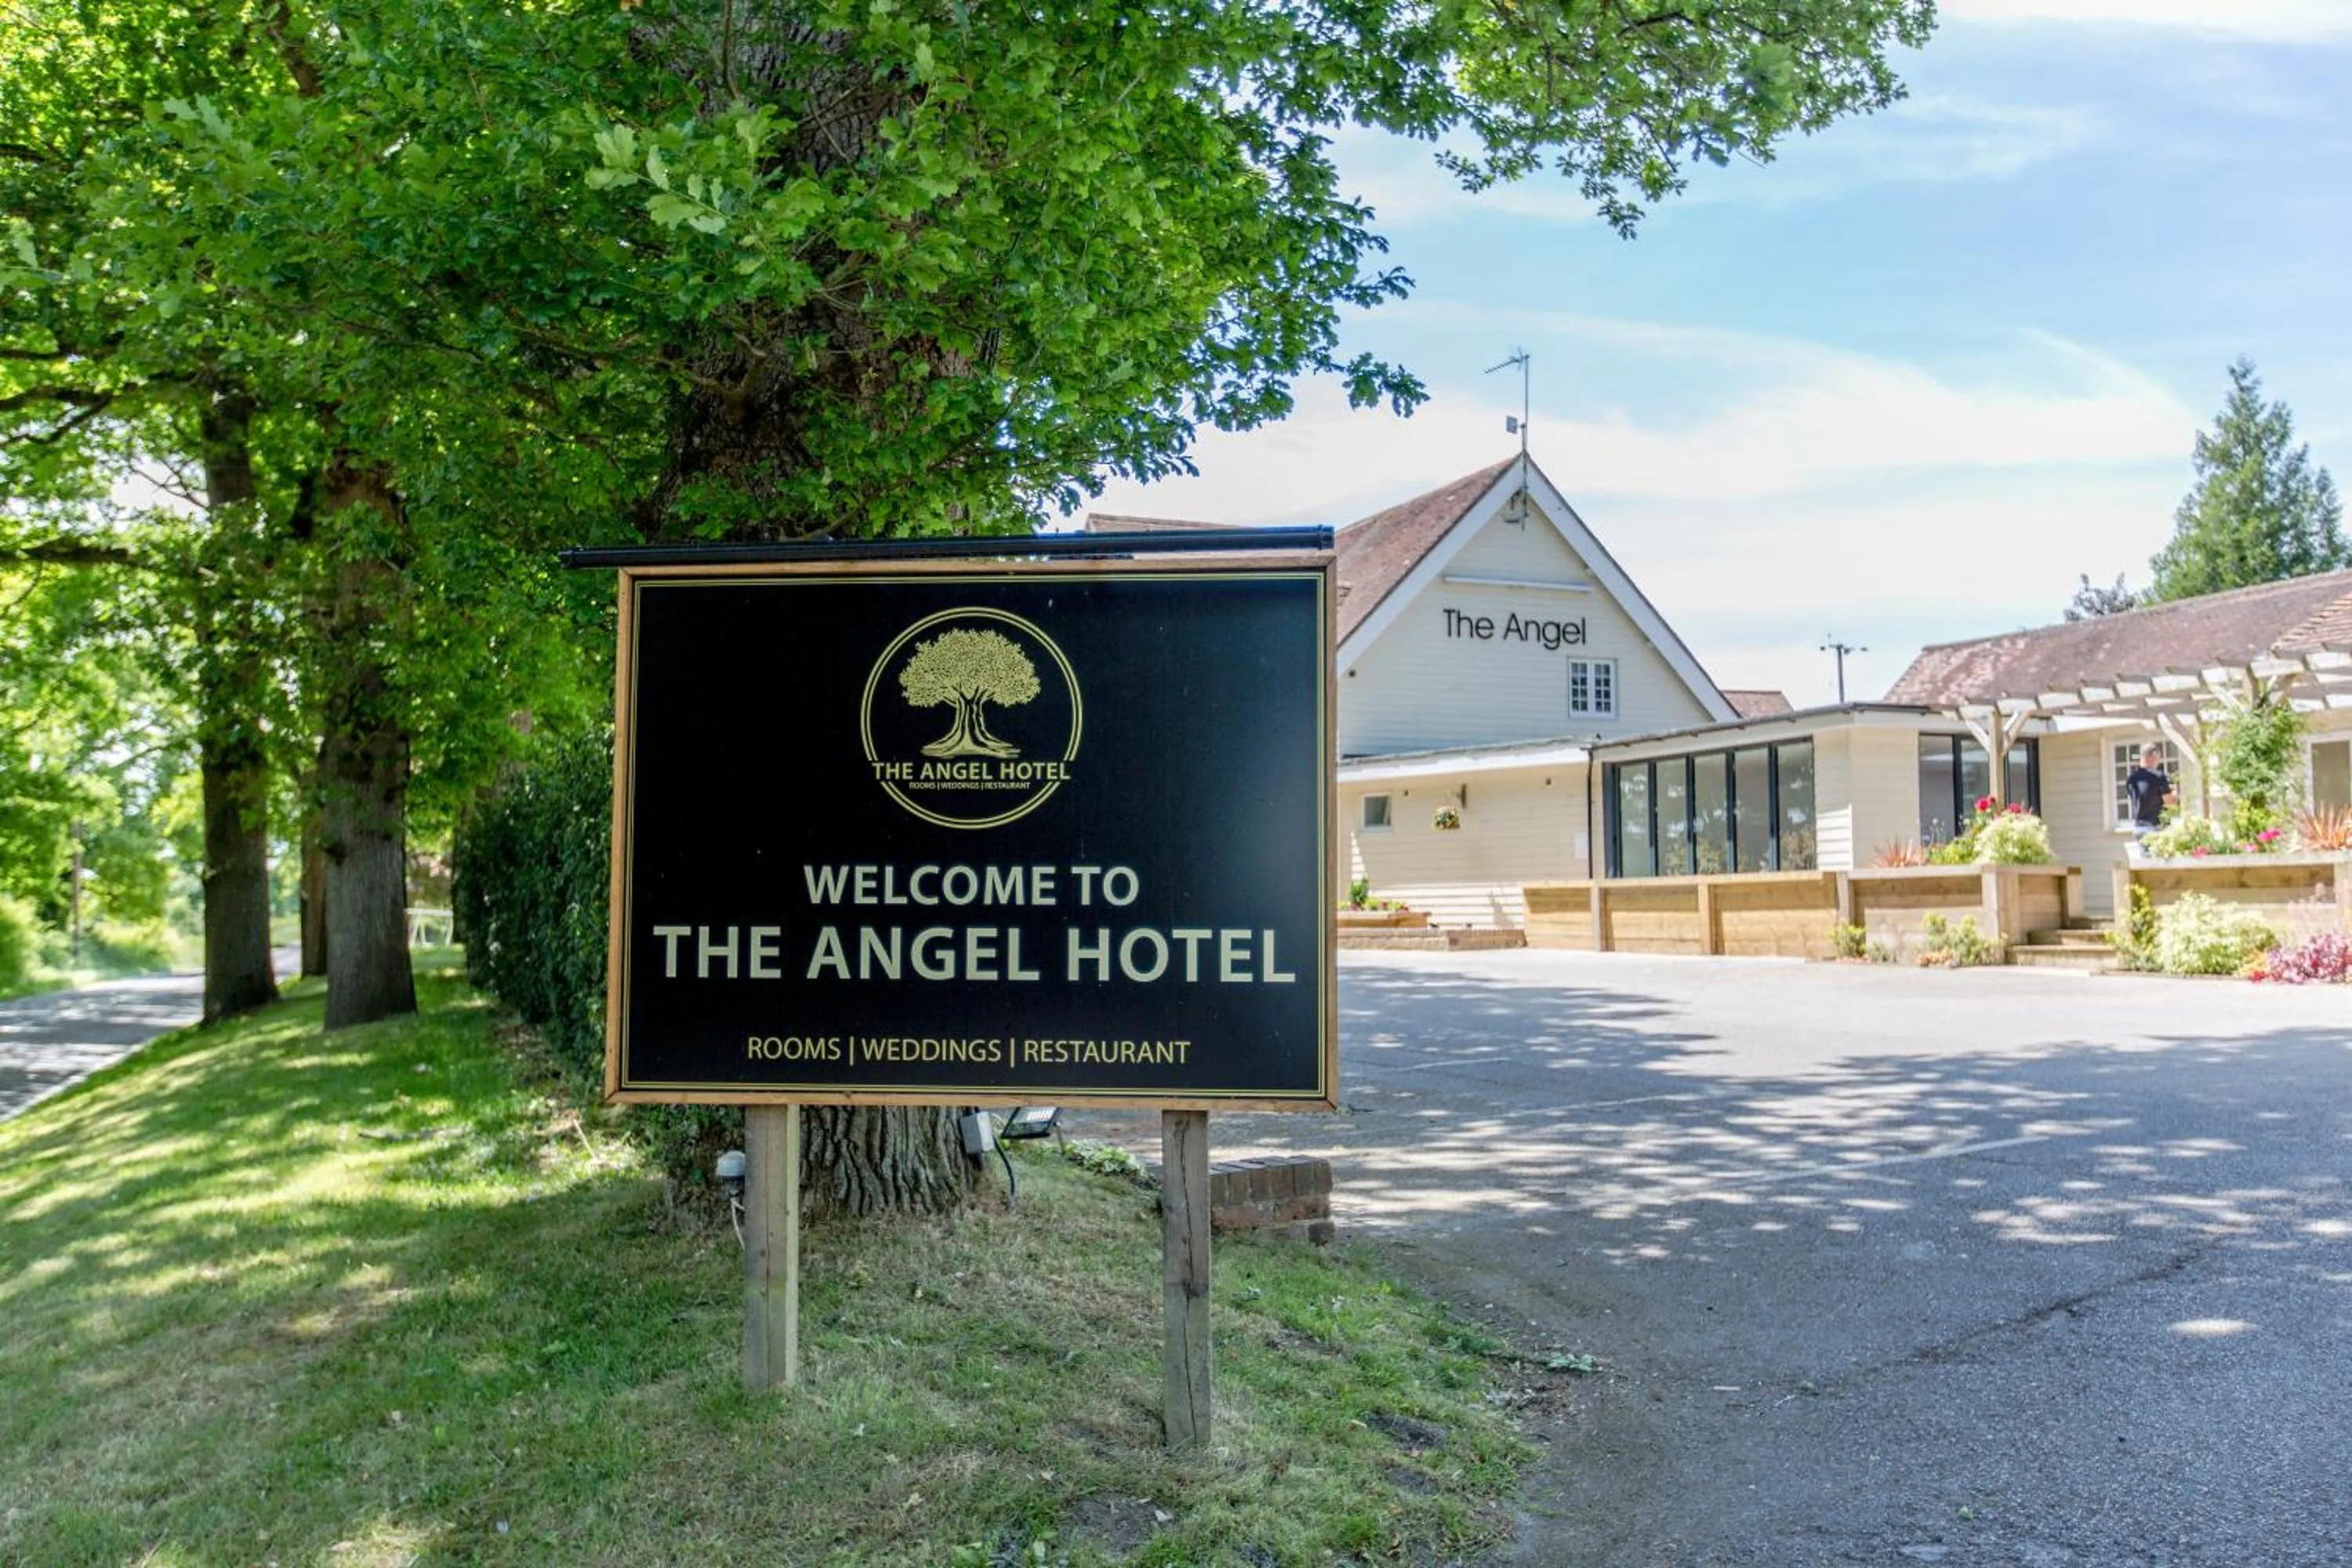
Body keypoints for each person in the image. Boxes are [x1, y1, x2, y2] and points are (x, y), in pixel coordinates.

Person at [2125, 744, 2174, 845]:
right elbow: (2169, 803)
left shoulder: (2131, 779)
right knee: (2159, 860)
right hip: (2156, 827)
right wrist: (2175, 793)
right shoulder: (2159, 776)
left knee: (2145, 859)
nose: (2158, 762)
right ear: (2152, 755)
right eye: (2158, 758)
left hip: (2139, 827)